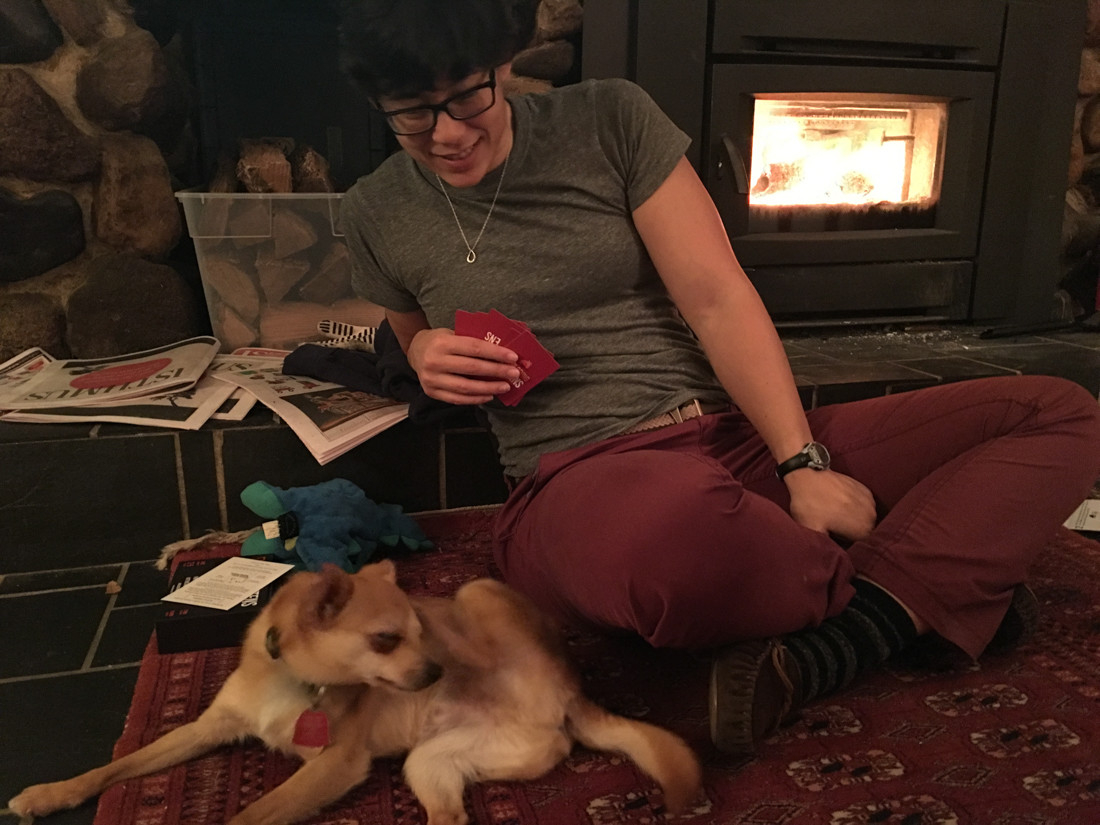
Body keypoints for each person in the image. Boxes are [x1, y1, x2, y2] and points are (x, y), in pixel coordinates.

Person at [336, 0, 1100, 757]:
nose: (447, 132)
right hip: (578, 480)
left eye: (467, 96)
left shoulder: (608, 119)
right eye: (412, 112)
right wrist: (425, 351)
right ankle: (939, 576)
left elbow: (716, 297)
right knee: (670, 542)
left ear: (503, 65)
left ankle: (854, 629)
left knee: (1057, 412)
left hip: (732, 440)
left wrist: (802, 462)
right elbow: (414, 346)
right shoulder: (377, 210)